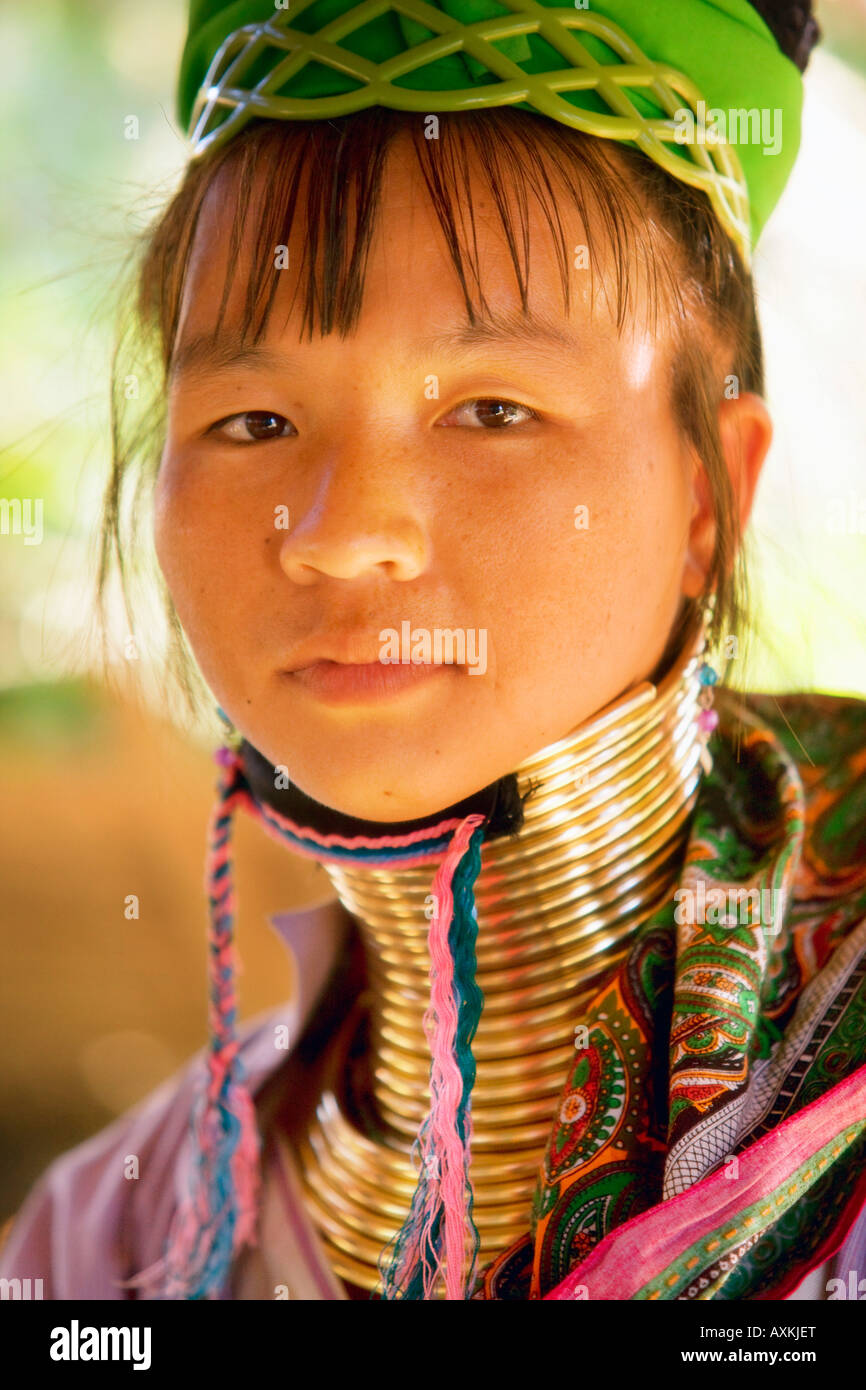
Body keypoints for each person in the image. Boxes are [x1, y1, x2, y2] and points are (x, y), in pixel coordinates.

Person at [2, 0, 864, 1302]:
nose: (342, 535)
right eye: (253, 419)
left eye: (493, 408)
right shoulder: (114, 1246)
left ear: (705, 499)